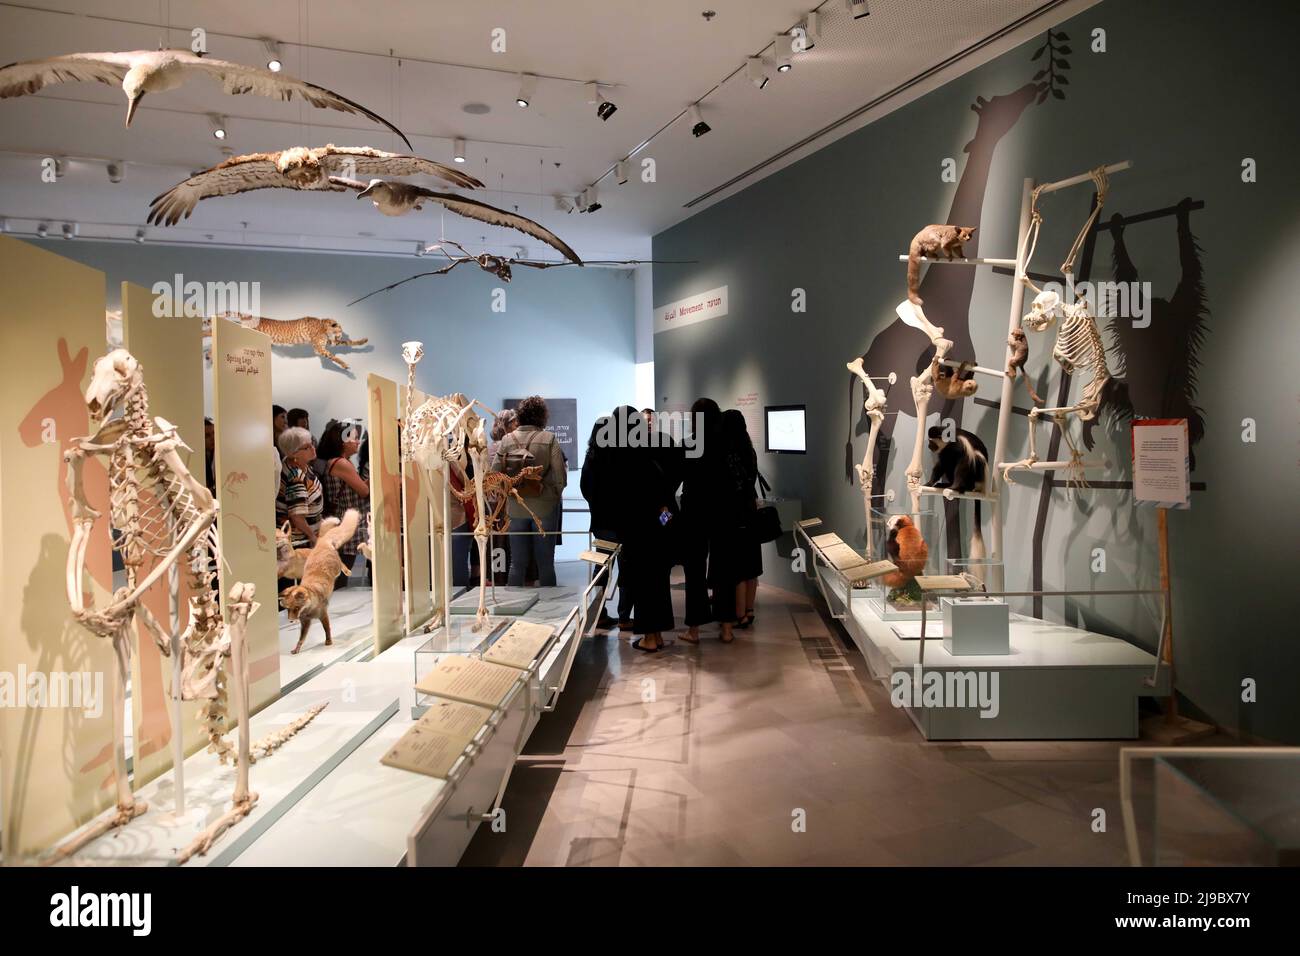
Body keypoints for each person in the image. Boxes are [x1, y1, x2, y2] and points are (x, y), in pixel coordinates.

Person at [610, 406, 680, 653]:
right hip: (656, 530)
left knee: (645, 585)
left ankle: (650, 638)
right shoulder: (649, 452)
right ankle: (656, 634)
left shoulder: (626, 457)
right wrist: (663, 524)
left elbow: (633, 499)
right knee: (658, 583)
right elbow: (664, 498)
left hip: (640, 532)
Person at [491, 396, 566, 588]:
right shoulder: (549, 439)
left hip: (516, 507)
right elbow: (560, 477)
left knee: (517, 562)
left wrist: (509, 495)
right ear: (542, 416)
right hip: (545, 509)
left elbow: (494, 475)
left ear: (521, 415)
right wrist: (552, 497)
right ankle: (550, 612)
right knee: (546, 564)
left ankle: (512, 607)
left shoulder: (507, 440)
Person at [679, 398, 725, 643]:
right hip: (720, 513)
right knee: (722, 570)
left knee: (694, 573)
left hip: (693, 514)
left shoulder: (688, 445)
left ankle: (694, 629)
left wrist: (665, 516)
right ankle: (726, 628)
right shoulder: (725, 445)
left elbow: (673, 481)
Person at [581, 414, 634, 627]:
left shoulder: (591, 458)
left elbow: (585, 489)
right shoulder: (619, 458)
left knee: (602, 569)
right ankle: (623, 616)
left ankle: (598, 612)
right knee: (626, 569)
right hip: (621, 523)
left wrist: (596, 506)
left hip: (600, 523)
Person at [316, 420, 370, 586]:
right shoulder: (341, 463)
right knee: (339, 577)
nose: (358, 442)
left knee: (340, 574)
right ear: (342, 441)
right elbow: (364, 491)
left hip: (341, 525)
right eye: (354, 438)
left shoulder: (337, 462)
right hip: (345, 527)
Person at [722, 409, 762, 628]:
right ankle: (749, 609)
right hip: (750, 509)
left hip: (734, 513)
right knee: (752, 564)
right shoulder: (750, 451)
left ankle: (739, 614)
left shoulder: (728, 453)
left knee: (737, 566)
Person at [276, 426, 323, 550]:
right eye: (307, 447)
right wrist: (312, 536)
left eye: (312, 443)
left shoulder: (298, 464)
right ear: (293, 453)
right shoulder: (294, 476)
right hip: (300, 542)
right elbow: (297, 517)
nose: (313, 448)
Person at [203, 416, 217, 497]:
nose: (213, 438)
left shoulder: (219, 455)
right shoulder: (199, 458)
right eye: (207, 436)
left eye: (214, 433)